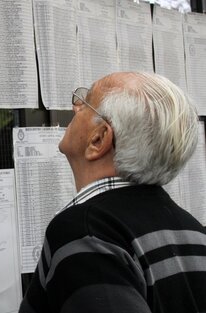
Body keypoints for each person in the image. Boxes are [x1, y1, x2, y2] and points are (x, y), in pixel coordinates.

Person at [19, 72, 206, 313]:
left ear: (98, 139)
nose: (75, 107)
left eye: (86, 101)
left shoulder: (87, 233)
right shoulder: (195, 232)